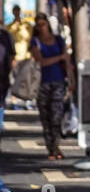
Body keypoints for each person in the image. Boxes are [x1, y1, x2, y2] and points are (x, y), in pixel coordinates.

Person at [31, 14, 72, 160]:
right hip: (41, 83)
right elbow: (41, 62)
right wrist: (59, 58)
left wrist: (71, 80)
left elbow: (67, 61)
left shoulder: (59, 40)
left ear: (48, 24)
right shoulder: (35, 42)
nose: (41, 27)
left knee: (56, 116)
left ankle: (56, 145)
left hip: (58, 81)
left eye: (43, 24)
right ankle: (51, 148)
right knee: (45, 117)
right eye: (39, 24)